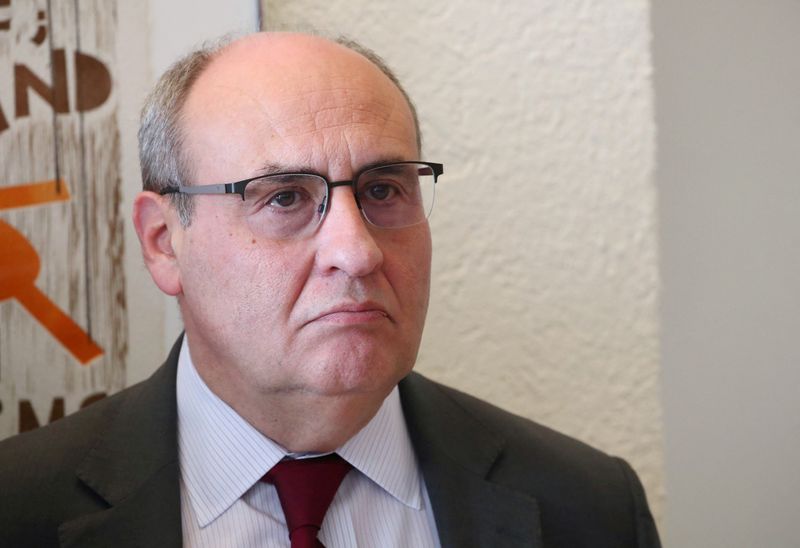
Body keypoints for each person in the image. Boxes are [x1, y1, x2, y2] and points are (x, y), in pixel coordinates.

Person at [0, 32, 660, 547]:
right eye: (285, 196)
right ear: (164, 242)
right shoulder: (19, 507)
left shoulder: (590, 507)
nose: (356, 250)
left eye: (382, 190)